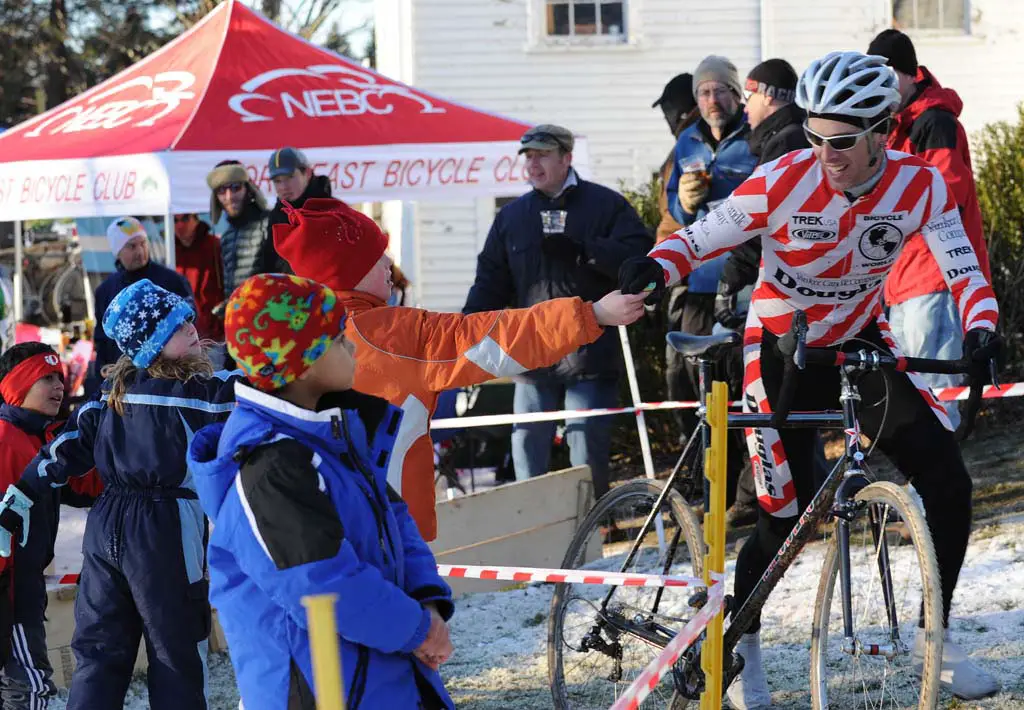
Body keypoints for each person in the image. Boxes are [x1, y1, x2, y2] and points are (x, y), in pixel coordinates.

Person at [619, 51, 1002, 706]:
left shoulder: (920, 186)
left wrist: (980, 328)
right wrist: (655, 269)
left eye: (844, 142)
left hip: (856, 343)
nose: (827, 154)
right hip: (777, 352)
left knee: (947, 479)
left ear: (883, 129)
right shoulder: (783, 179)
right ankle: (741, 641)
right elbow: (702, 234)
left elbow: (963, 270)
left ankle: (931, 640)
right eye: (817, 136)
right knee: (783, 521)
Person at [274, 197, 647, 540]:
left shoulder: (289, 339)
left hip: (316, 528)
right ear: (347, 271)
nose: (389, 263)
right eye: (377, 255)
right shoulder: (390, 333)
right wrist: (592, 313)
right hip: (392, 528)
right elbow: (493, 339)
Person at [188, 274, 455, 708]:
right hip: (322, 691)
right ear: (302, 362)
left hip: (378, 677)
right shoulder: (272, 468)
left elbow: (396, 520)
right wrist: (418, 630)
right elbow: (323, 585)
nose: (352, 347)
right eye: (338, 337)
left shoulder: (333, 438)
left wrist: (427, 602)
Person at [0, 280, 242, 709]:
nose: (190, 326)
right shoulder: (198, 396)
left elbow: (59, 454)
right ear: (151, 345)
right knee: (176, 648)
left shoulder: (108, 397)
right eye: (175, 325)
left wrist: (17, 501)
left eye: (187, 318)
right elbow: (254, 394)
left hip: (106, 524)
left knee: (99, 650)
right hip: (164, 526)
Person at [463, 124, 653, 499]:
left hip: (590, 353)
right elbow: (490, 280)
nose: (533, 164)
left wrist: (588, 251)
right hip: (531, 353)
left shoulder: (606, 205)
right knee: (527, 449)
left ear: (567, 158)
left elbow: (642, 261)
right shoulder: (512, 216)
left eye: (542, 155)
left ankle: (592, 526)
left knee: (586, 448)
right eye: (528, 156)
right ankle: (531, 527)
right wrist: (467, 330)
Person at [867, 29, 993, 431]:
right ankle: (924, 485)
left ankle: (941, 488)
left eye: (884, 79)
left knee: (935, 389)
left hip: (937, 274)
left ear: (907, 74)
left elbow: (947, 194)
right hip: (903, 277)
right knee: (913, 389)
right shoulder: (897, 126)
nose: (878, 90)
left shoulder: (934, 122)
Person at [714, 58, 810, 527]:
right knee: (789, 401)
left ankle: (769, 503)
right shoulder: (781, 138)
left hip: (788, 295)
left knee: (776, 401)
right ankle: (777, 499)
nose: (744, 108)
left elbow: (760, 220)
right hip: (789, 289)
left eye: (748, 96)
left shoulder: (786, 143)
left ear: (768, 95)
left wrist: (732, 276)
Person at [664, 56, 758, 443]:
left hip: (747, 282)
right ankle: (711, 475)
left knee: (744, 383)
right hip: (701, 282)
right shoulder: (687, 141)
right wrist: (684, 203)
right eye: (704, 92)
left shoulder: (756, 136)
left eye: (720, 90)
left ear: (737, 94)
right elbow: (672, 207)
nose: (712, 99)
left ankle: (750, 486)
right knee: (699, 383)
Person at [92, 217, 193, 383]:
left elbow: (190, 325)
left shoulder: (172, 281)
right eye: (132, 246)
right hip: (125, 381)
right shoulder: (105, 291)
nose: (140, 251)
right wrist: (104, 368)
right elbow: (102, 342)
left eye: (143, 243)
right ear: (117, 252)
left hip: (171, 377)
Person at [206, 160, 272, 299]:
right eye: (222, 190)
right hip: (240, 317)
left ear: (248, 189)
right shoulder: (227, 237)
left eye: (236, 187)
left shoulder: (269, 224)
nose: (229, 197)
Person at [263, 146, 330, 273]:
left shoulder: (330, 210)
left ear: (308, 173)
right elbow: (269, 263)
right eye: (277, 181)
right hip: (287, 292)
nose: (283, 186)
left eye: (289, 177)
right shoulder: (276, 216)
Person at [652, 73, 699, 244]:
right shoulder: (690, 143)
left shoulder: (690, 147)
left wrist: (661, 253)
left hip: (685, 247)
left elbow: (673, 216)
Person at [173, 213, 224, 341]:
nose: (180, 225)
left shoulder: (214, 245)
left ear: (196, 220)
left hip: (214, 333)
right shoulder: (171, 252)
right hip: (184, 333)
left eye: (185, 218)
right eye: (174, 220)